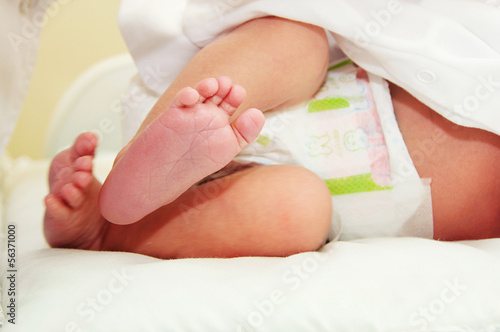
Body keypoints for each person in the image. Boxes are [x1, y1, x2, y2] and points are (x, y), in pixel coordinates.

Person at [43, 16, 500, 259]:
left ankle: (112, 229)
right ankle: (144, 156)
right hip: (266, 96)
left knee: (297, 210)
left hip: (285, 187)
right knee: (296, 35)